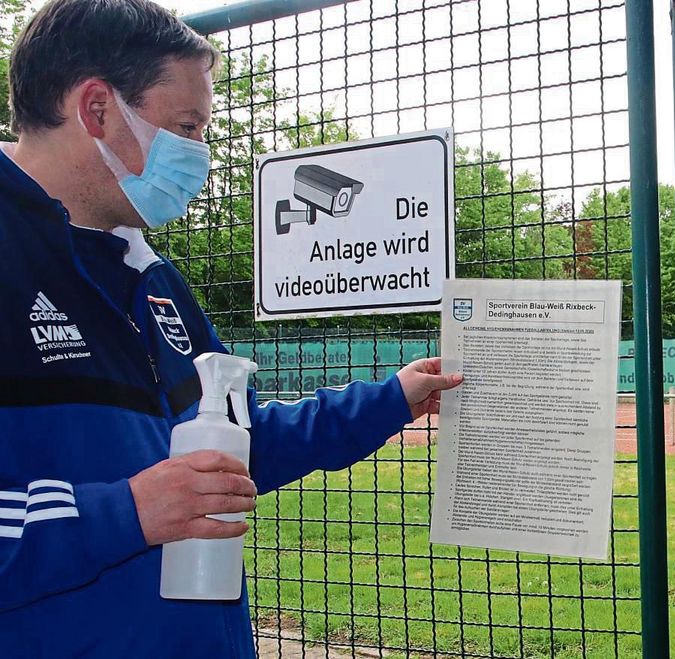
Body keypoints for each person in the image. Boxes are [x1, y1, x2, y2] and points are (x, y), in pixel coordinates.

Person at [0, 1, 461, 656]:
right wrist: (126, 512)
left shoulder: (150, 272)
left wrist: (390, 398)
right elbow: (145, 502)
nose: (199, 154)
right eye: (187, 126)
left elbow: (233, 447)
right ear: (97, 109)